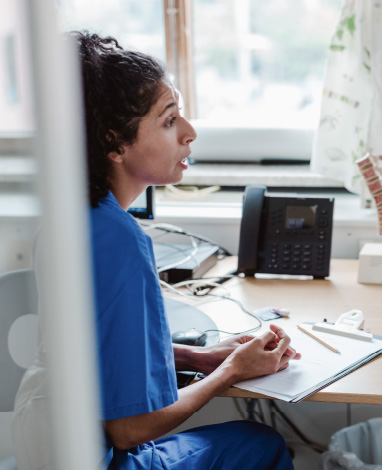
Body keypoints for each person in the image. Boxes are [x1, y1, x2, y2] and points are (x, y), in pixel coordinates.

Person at [13, 31, 299, 469]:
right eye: (169, 121)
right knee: (259, 443)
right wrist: (231, 372)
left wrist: (198, 357)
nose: (189, 132)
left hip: (42, 444)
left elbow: (90, 353)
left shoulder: (66, 219)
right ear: (114, 144)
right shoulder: (121, 240)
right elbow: (131, 429)